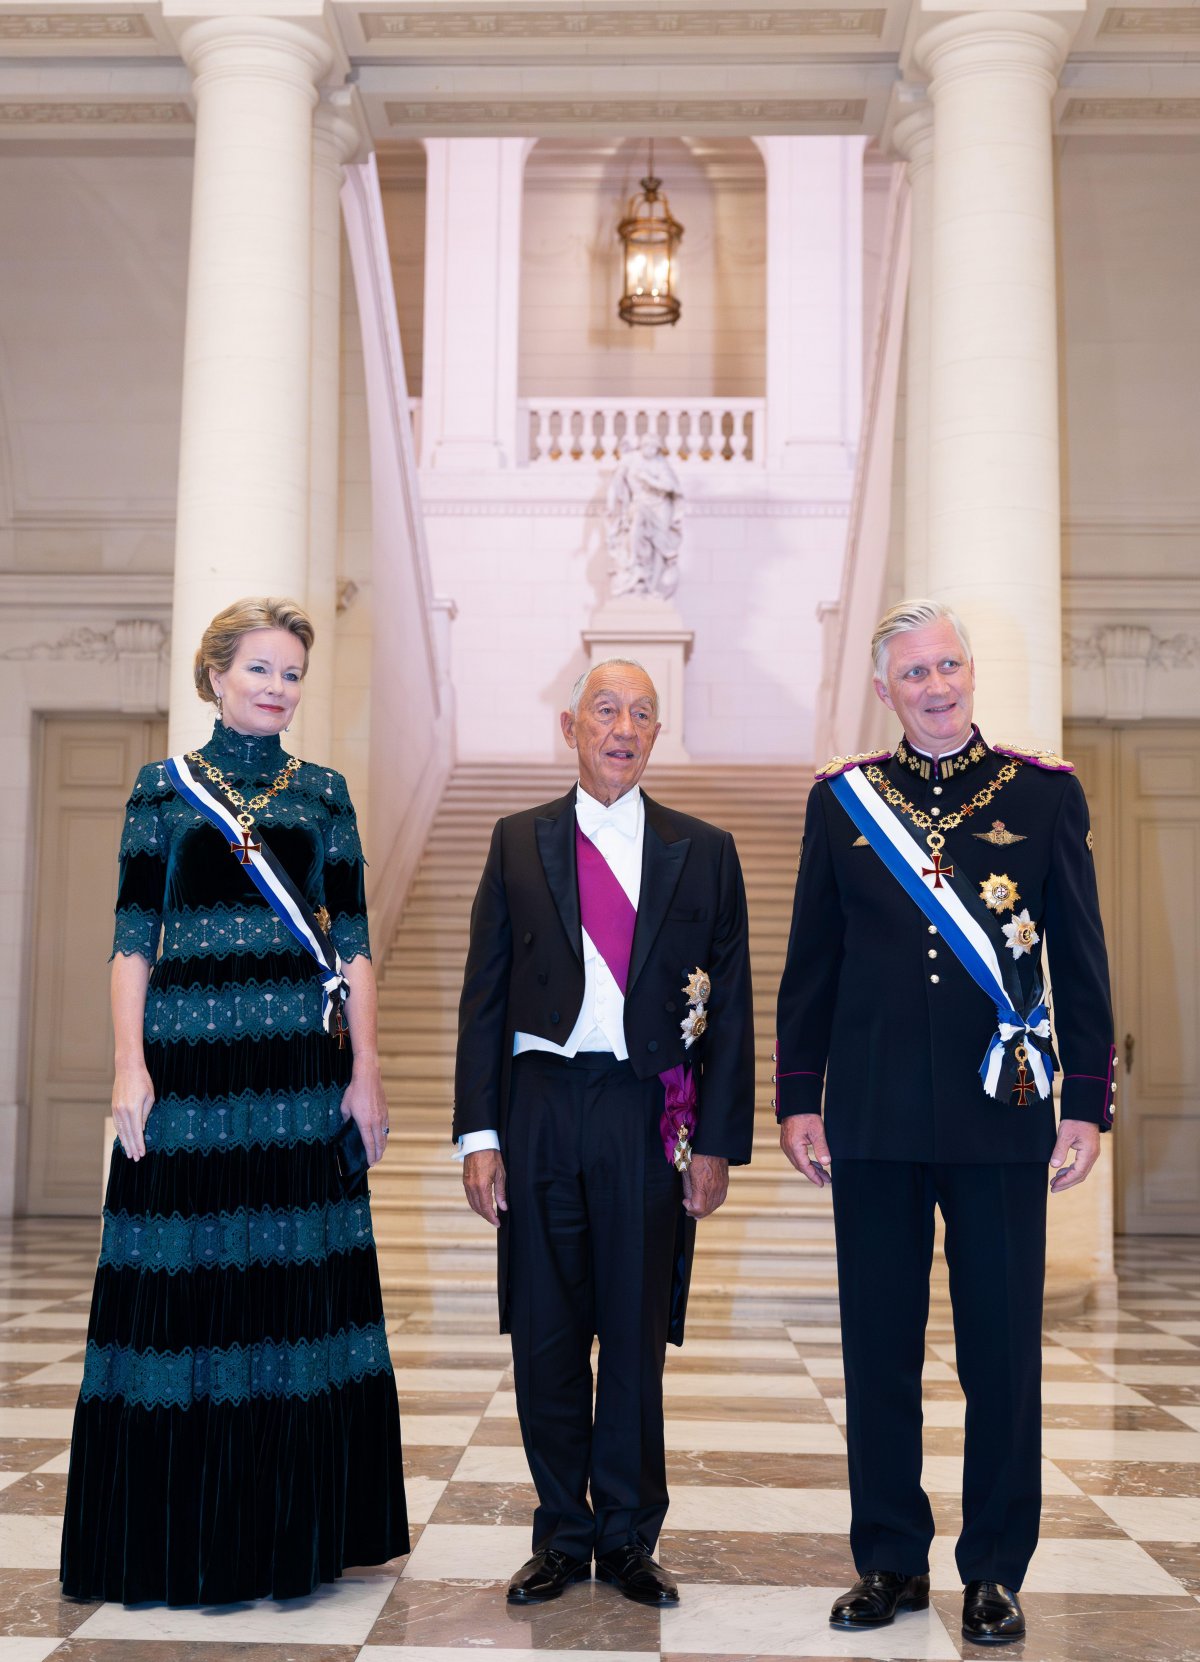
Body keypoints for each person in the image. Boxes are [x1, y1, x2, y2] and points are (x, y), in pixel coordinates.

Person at [776, 600, 1115, 1647]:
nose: (937, 686)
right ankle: (889, 1558)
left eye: (949, 665)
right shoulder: (844, 801)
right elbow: (813, 958)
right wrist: (798, 1093)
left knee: (1001, 1351)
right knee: (879, 1347)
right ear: (885, 689)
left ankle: (995, 1570)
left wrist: (1086, 1100)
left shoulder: (1042, 795)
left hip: (1000, 1114)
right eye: (915, 673)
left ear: (971, 673)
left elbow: (1080, 955)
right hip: (874, 1112)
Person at [61, 596, 408, 1605]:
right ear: (214, 676)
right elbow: (133, 936)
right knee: (188, 1284)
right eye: (259, 668)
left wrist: (366, 1067)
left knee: (291, 1288)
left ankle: (290, 1538)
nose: (277, 687)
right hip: (190, 1073)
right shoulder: (160, 789)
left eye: (292, 673)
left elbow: (354, 946)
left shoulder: (325, 794)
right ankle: (178, 1539)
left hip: (297, 1077)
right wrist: (128, 1064)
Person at [453, 658, 754, 1607]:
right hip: (540, 1105)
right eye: (606, 710)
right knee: (545, 1332)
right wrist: (478, 1135)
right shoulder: (517, 840)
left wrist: (716, 1142)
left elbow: (732, 1009)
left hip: (644, 1112)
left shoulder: (704, 850)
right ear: (571, 725)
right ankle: (560, 1533)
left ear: (657, 735)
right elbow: (483, 995)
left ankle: (626, 1537)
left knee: (633, 1331)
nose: (623, 729)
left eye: (642, 715)